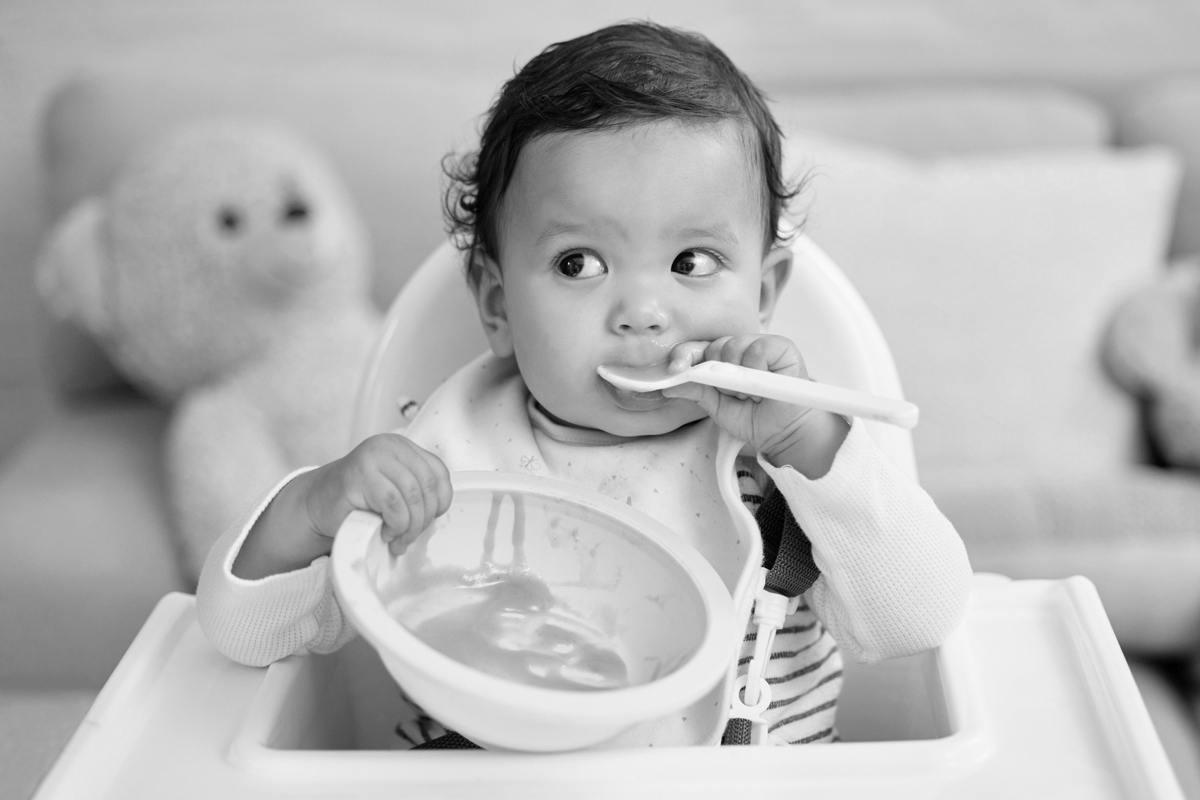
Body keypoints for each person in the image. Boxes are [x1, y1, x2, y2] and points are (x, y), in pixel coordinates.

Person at [197, 20, 972, 748]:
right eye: (579, 264)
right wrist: (313, 507)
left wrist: (811, 445)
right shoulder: (447, 455)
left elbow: (919, 622)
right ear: (499, 306)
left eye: (691, 263)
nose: (641, 312)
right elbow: (242, 634)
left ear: (765, 292)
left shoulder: (787, 454)